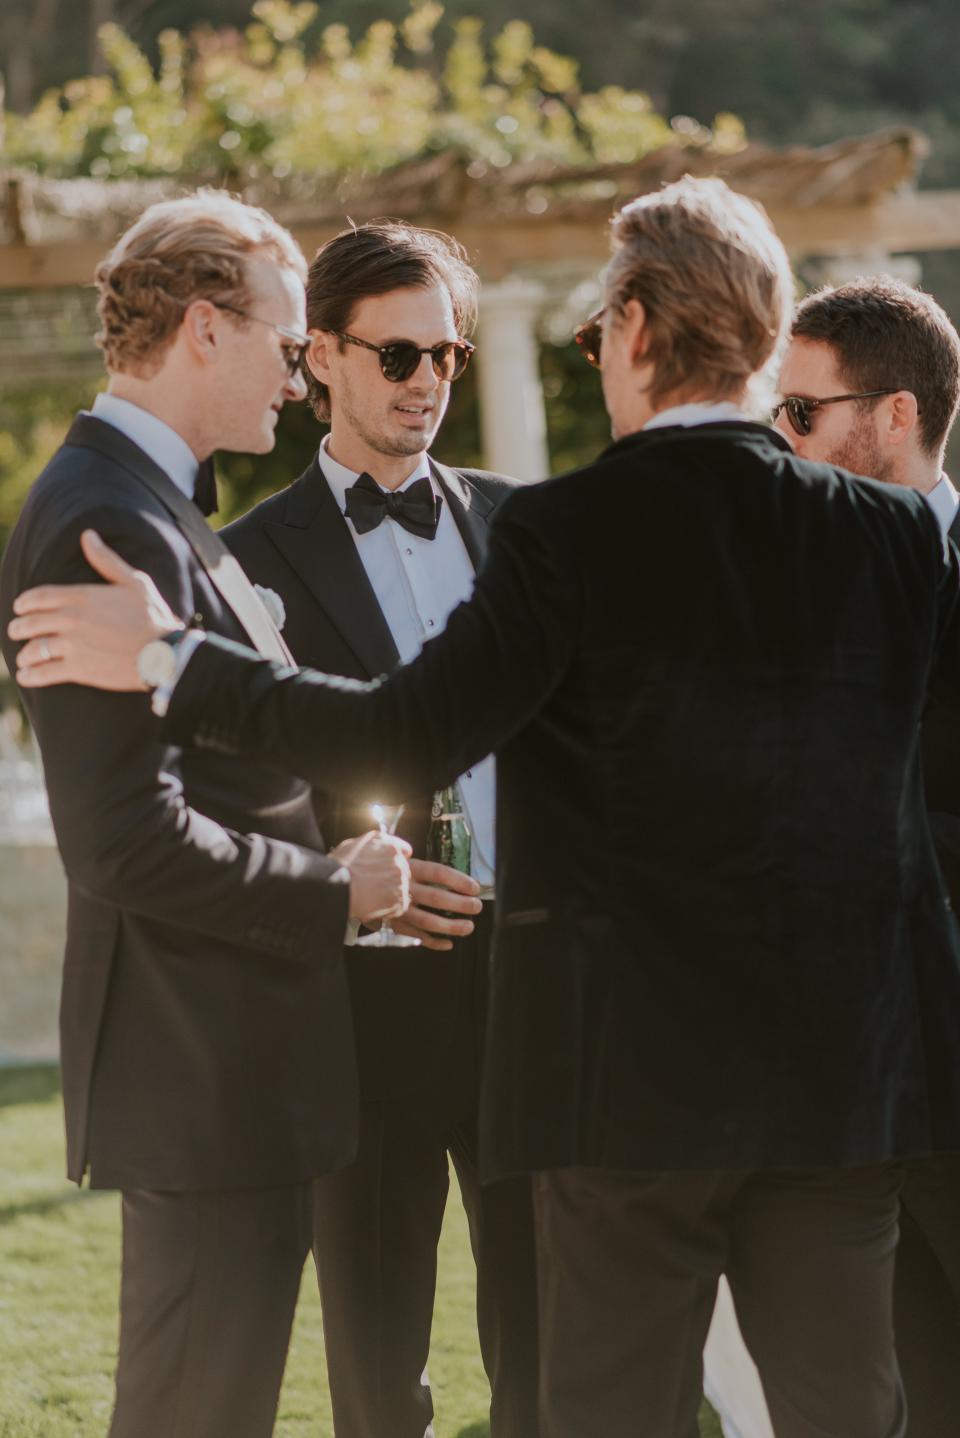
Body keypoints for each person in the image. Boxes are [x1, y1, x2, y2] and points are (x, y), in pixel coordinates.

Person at [13, 177, 960, 1438]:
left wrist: (170, 659)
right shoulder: (903, 535)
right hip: (850, 1083)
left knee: (603, 1410)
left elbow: (398, 728)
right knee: (858, 1415)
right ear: (765, 328)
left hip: (630, 1086)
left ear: (630, 334)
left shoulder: (562, 531)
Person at [0, 192, 412, 1438]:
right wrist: (332, 892)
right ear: (204, 328)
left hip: (238, 1058)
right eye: (292, 346)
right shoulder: (102, 523)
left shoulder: (160, 500)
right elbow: (122, 838)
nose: (301, 379)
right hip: (197, 1065)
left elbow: (228, 762)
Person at [220, 220, 540, 1438]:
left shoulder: (527, 531)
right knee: (376, 1347)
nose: (427, 383)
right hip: (359, 1002)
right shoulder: (242, 562)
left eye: (447, 357)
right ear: (320, 360)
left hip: (532, 986)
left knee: (548, 1334)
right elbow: (231, 784)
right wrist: (351, 881)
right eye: (397, 356)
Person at [771, 274, 960, 1438]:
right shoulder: (782, 589)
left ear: (896, 415)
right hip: (840, 1099)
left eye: (802, 412)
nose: (780, 439)